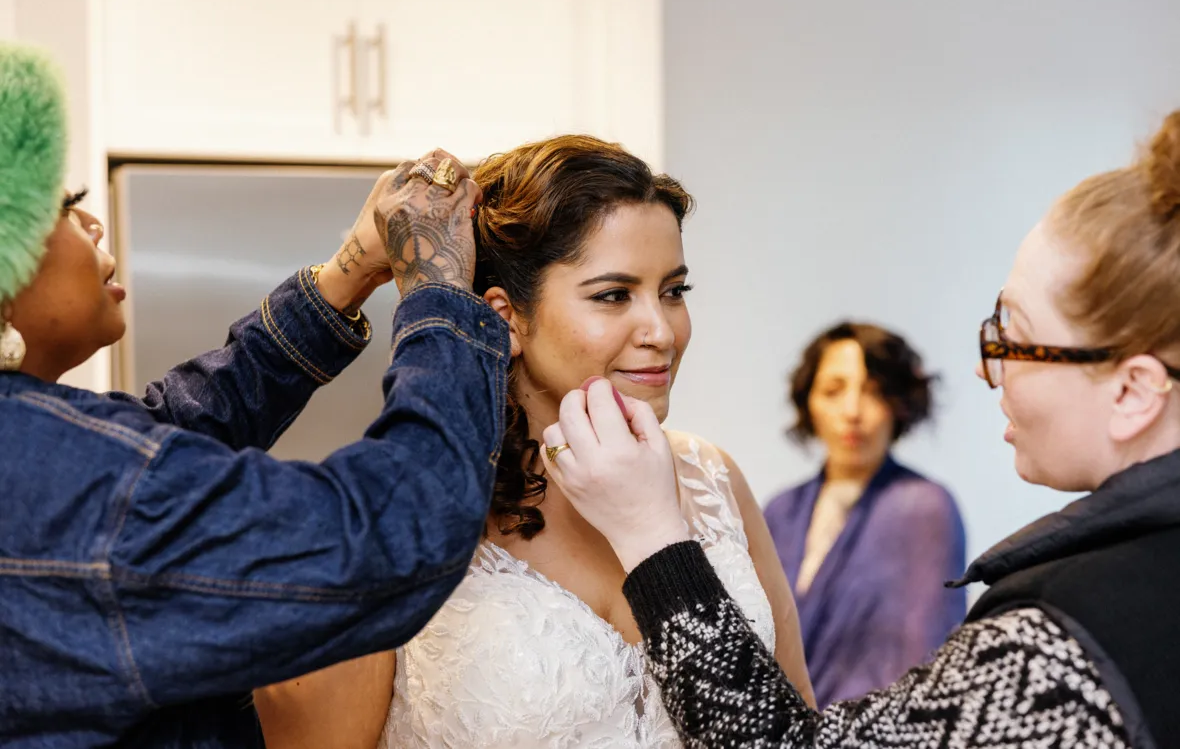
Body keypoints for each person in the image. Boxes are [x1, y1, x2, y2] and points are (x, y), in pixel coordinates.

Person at [544, 110, 1180, 748]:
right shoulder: (784, 504)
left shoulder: (1065, 643)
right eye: (611, 295)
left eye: (1012, 337)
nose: (993, 373)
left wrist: (653, 540)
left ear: (1134, 391)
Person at [0, 42, 509, 748]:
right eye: (66, 206)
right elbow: (387, 536)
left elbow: (173, 431)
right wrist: (439, 295)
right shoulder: (54, 486)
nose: (91, 224)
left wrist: (348, 271)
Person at [254, 135, 815, 748]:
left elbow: (794, 729)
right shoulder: (398, 514)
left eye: (674, 291)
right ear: (504, 317)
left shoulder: (713, 479)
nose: (662, 330)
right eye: (613, 295)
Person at [763, 322, 966, 707]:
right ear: (809, 401)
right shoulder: (781, 511)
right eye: (833, 391)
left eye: (874, 392)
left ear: (900, 404)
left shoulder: (923, 507)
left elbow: (922, 659)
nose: (852, 411)